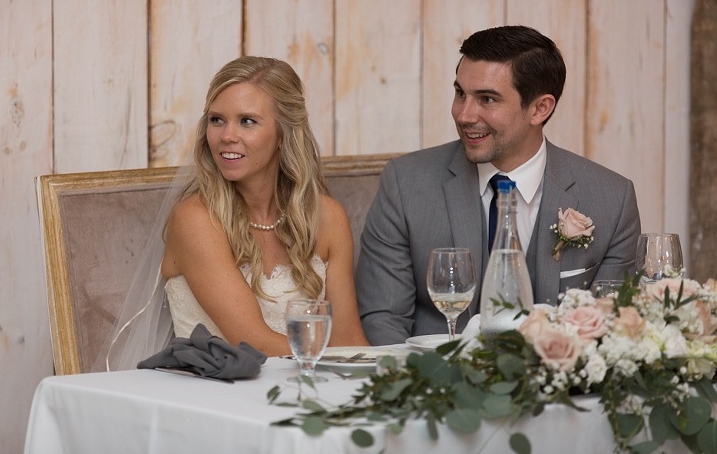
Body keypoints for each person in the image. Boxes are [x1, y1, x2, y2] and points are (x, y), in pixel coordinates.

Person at [355, 25, 641, 346]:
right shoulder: (404, 183)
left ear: (539, 108)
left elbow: (612, 330)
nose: (464, 115)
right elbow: (383, 318)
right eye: (460, 93)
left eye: (486, 99)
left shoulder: (613, 201)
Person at [99, 56, 368, 370]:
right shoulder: (195, 220)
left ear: (283, 134)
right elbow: (252, 341)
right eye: (217, 120)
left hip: (308, 391)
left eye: (247, 121)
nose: (226, 135)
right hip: (217, 398)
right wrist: (338, 362)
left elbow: (349, 338)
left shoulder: (327, 217)